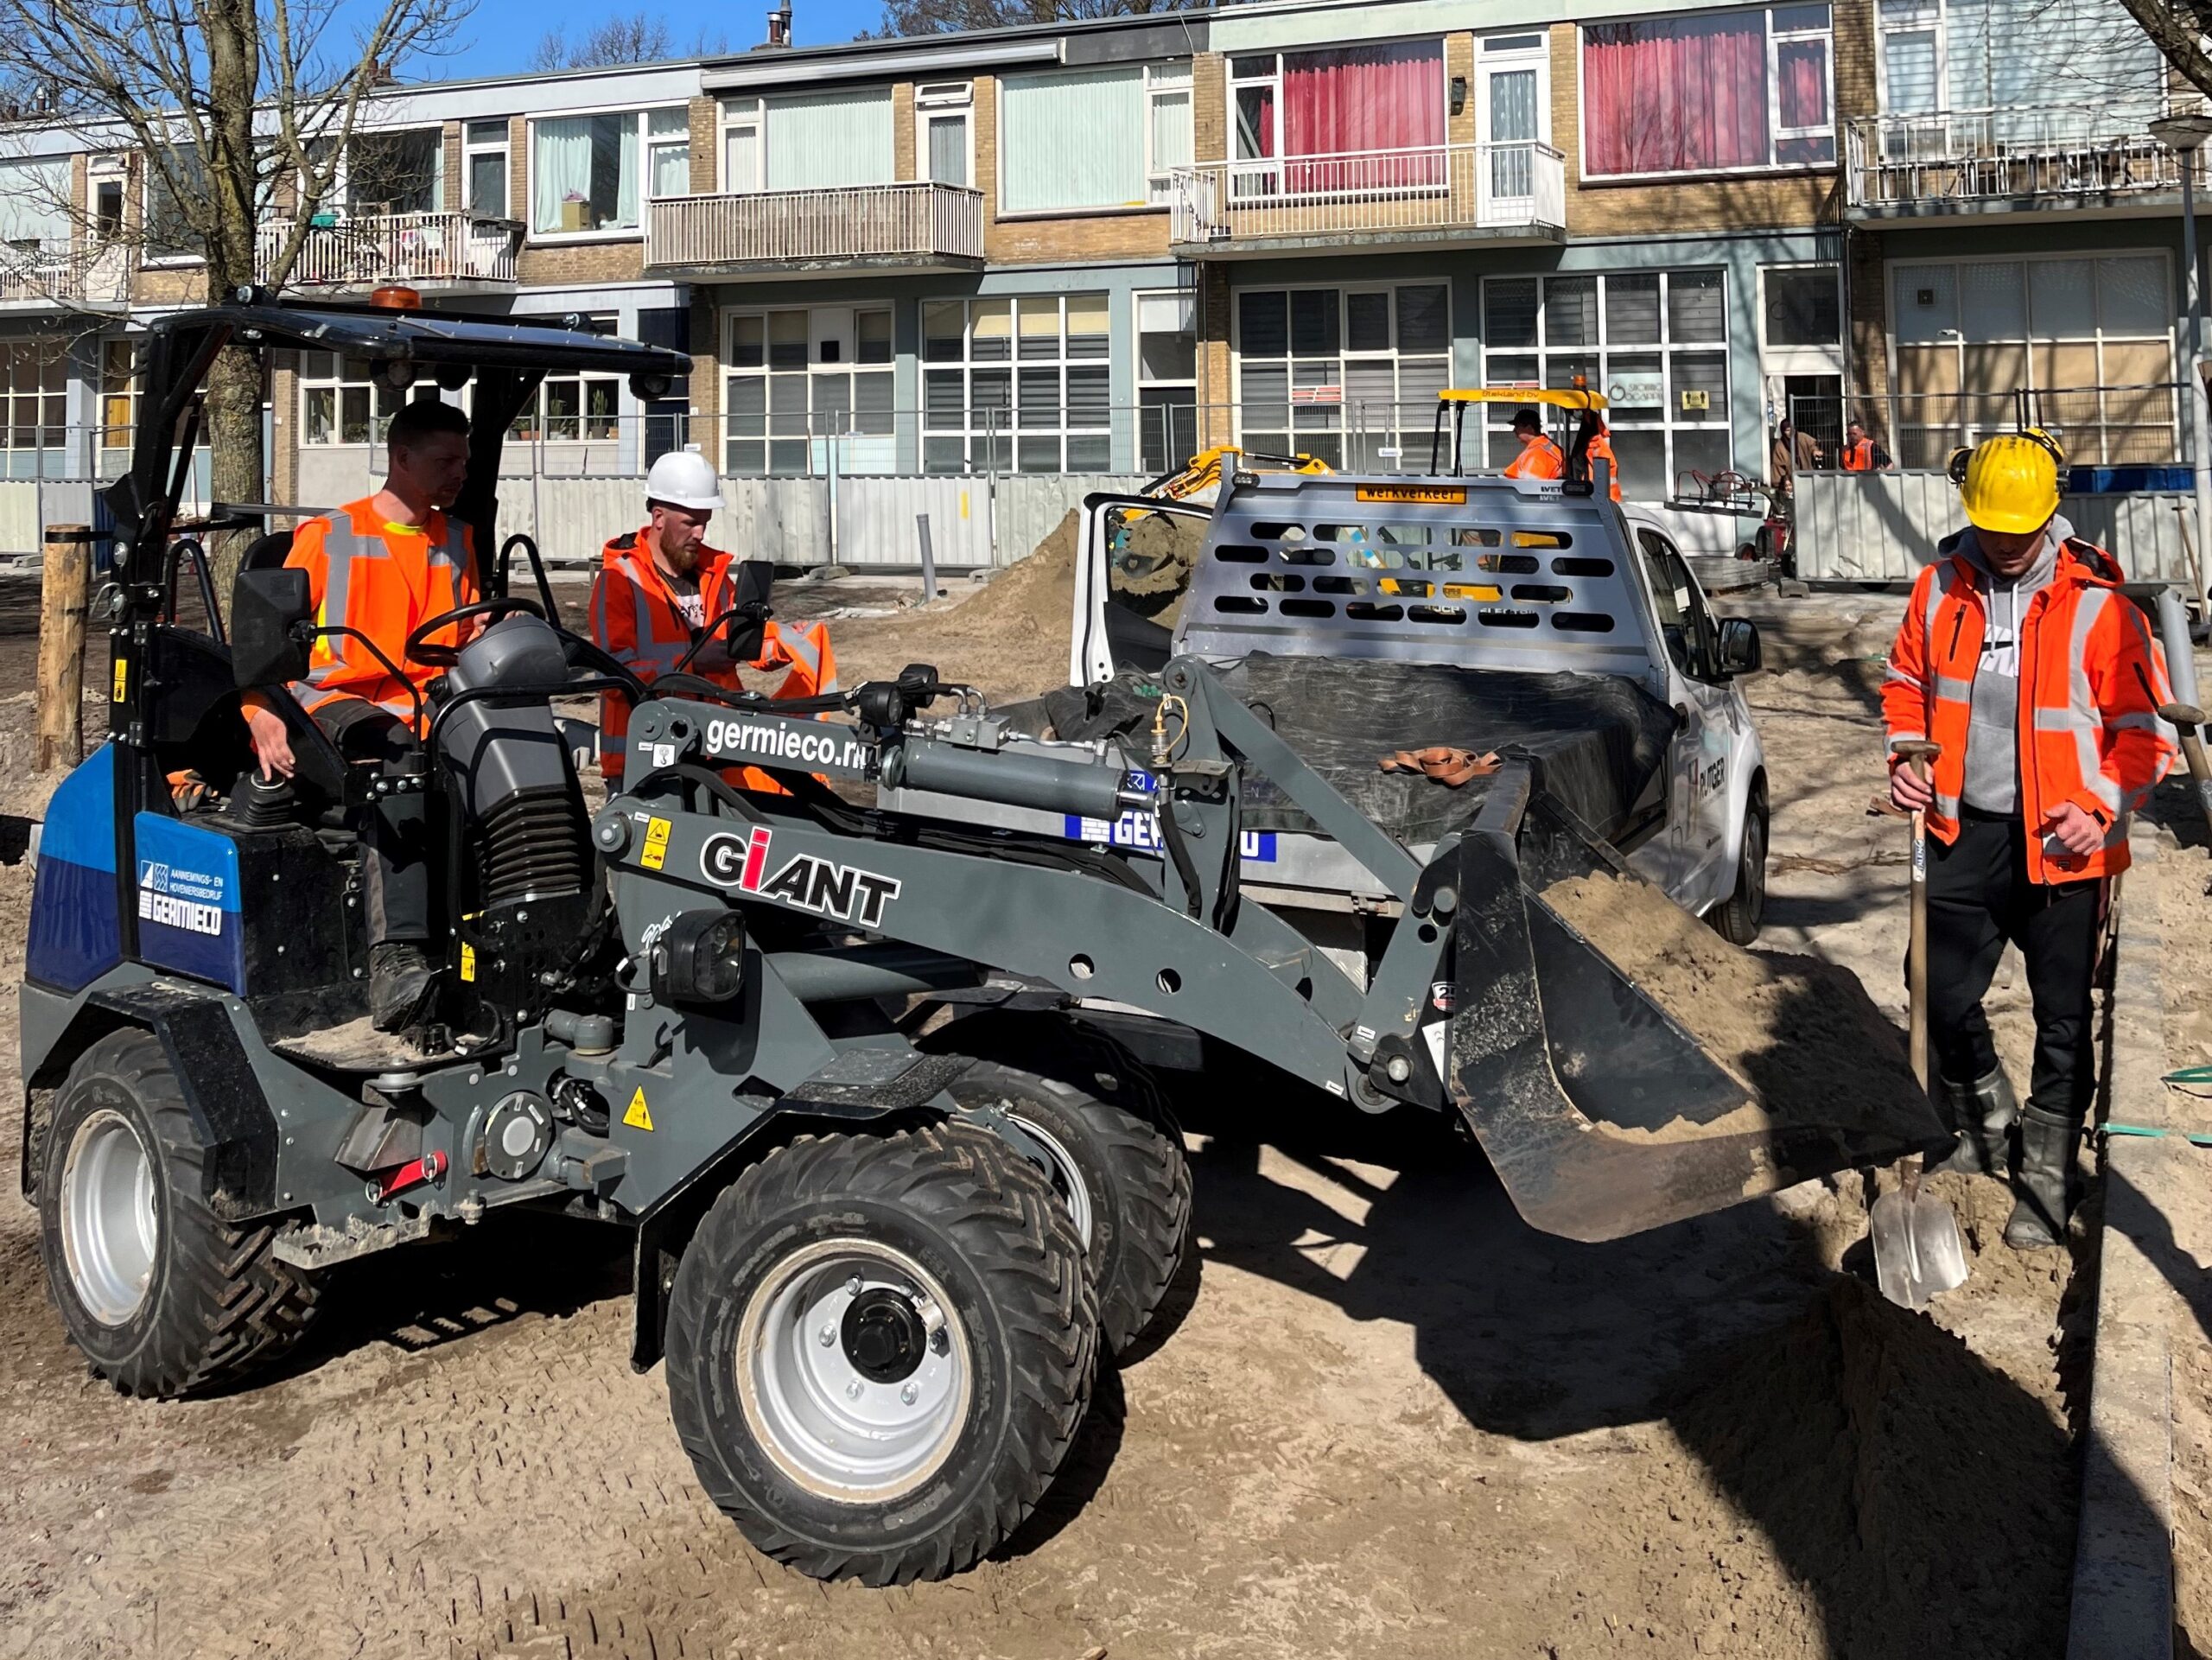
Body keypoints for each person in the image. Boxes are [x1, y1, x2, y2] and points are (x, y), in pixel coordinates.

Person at [1880, 430, 2173, 1249]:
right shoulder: (1938, 588)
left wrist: (2100, 806)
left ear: (2050, 515)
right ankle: (1983, 1121)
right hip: (1961, 827)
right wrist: (1903, 758)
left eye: (2021, 529)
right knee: (1934, 985)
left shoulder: (2102, 608)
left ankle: (2047, 1172)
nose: (2006, 544)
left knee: (2062, 1014)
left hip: (2064, 845)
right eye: (1992, 528)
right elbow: (1905, 684)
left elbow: (2146, 733)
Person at [244, 397, 477, 1033]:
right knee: (397, 749)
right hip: (330, 702)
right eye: (445, 461)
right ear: (401, 458)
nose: (459, 473)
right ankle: (395, 957)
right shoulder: (329, 537)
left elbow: (466, 635)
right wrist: (260, 711)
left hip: (426, 702)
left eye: (463, 460)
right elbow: (263, 643)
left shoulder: (458, 541)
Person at [590, 449, 838, 792]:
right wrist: (693, 664)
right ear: (659, 517)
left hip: (712, 755)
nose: (700, 533)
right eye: (691, 522)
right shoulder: (620, 581)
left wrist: (783, 641)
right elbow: (614, 675)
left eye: (705, 522)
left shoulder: (713, 577)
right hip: (644, 761)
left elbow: (734, 641)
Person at [1502, 408, 1564, 480]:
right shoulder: (1542, 446)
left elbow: (1530, 484)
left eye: (1517, 427)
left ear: (1529, 428)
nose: (1514, 430)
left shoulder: (1539, 453)